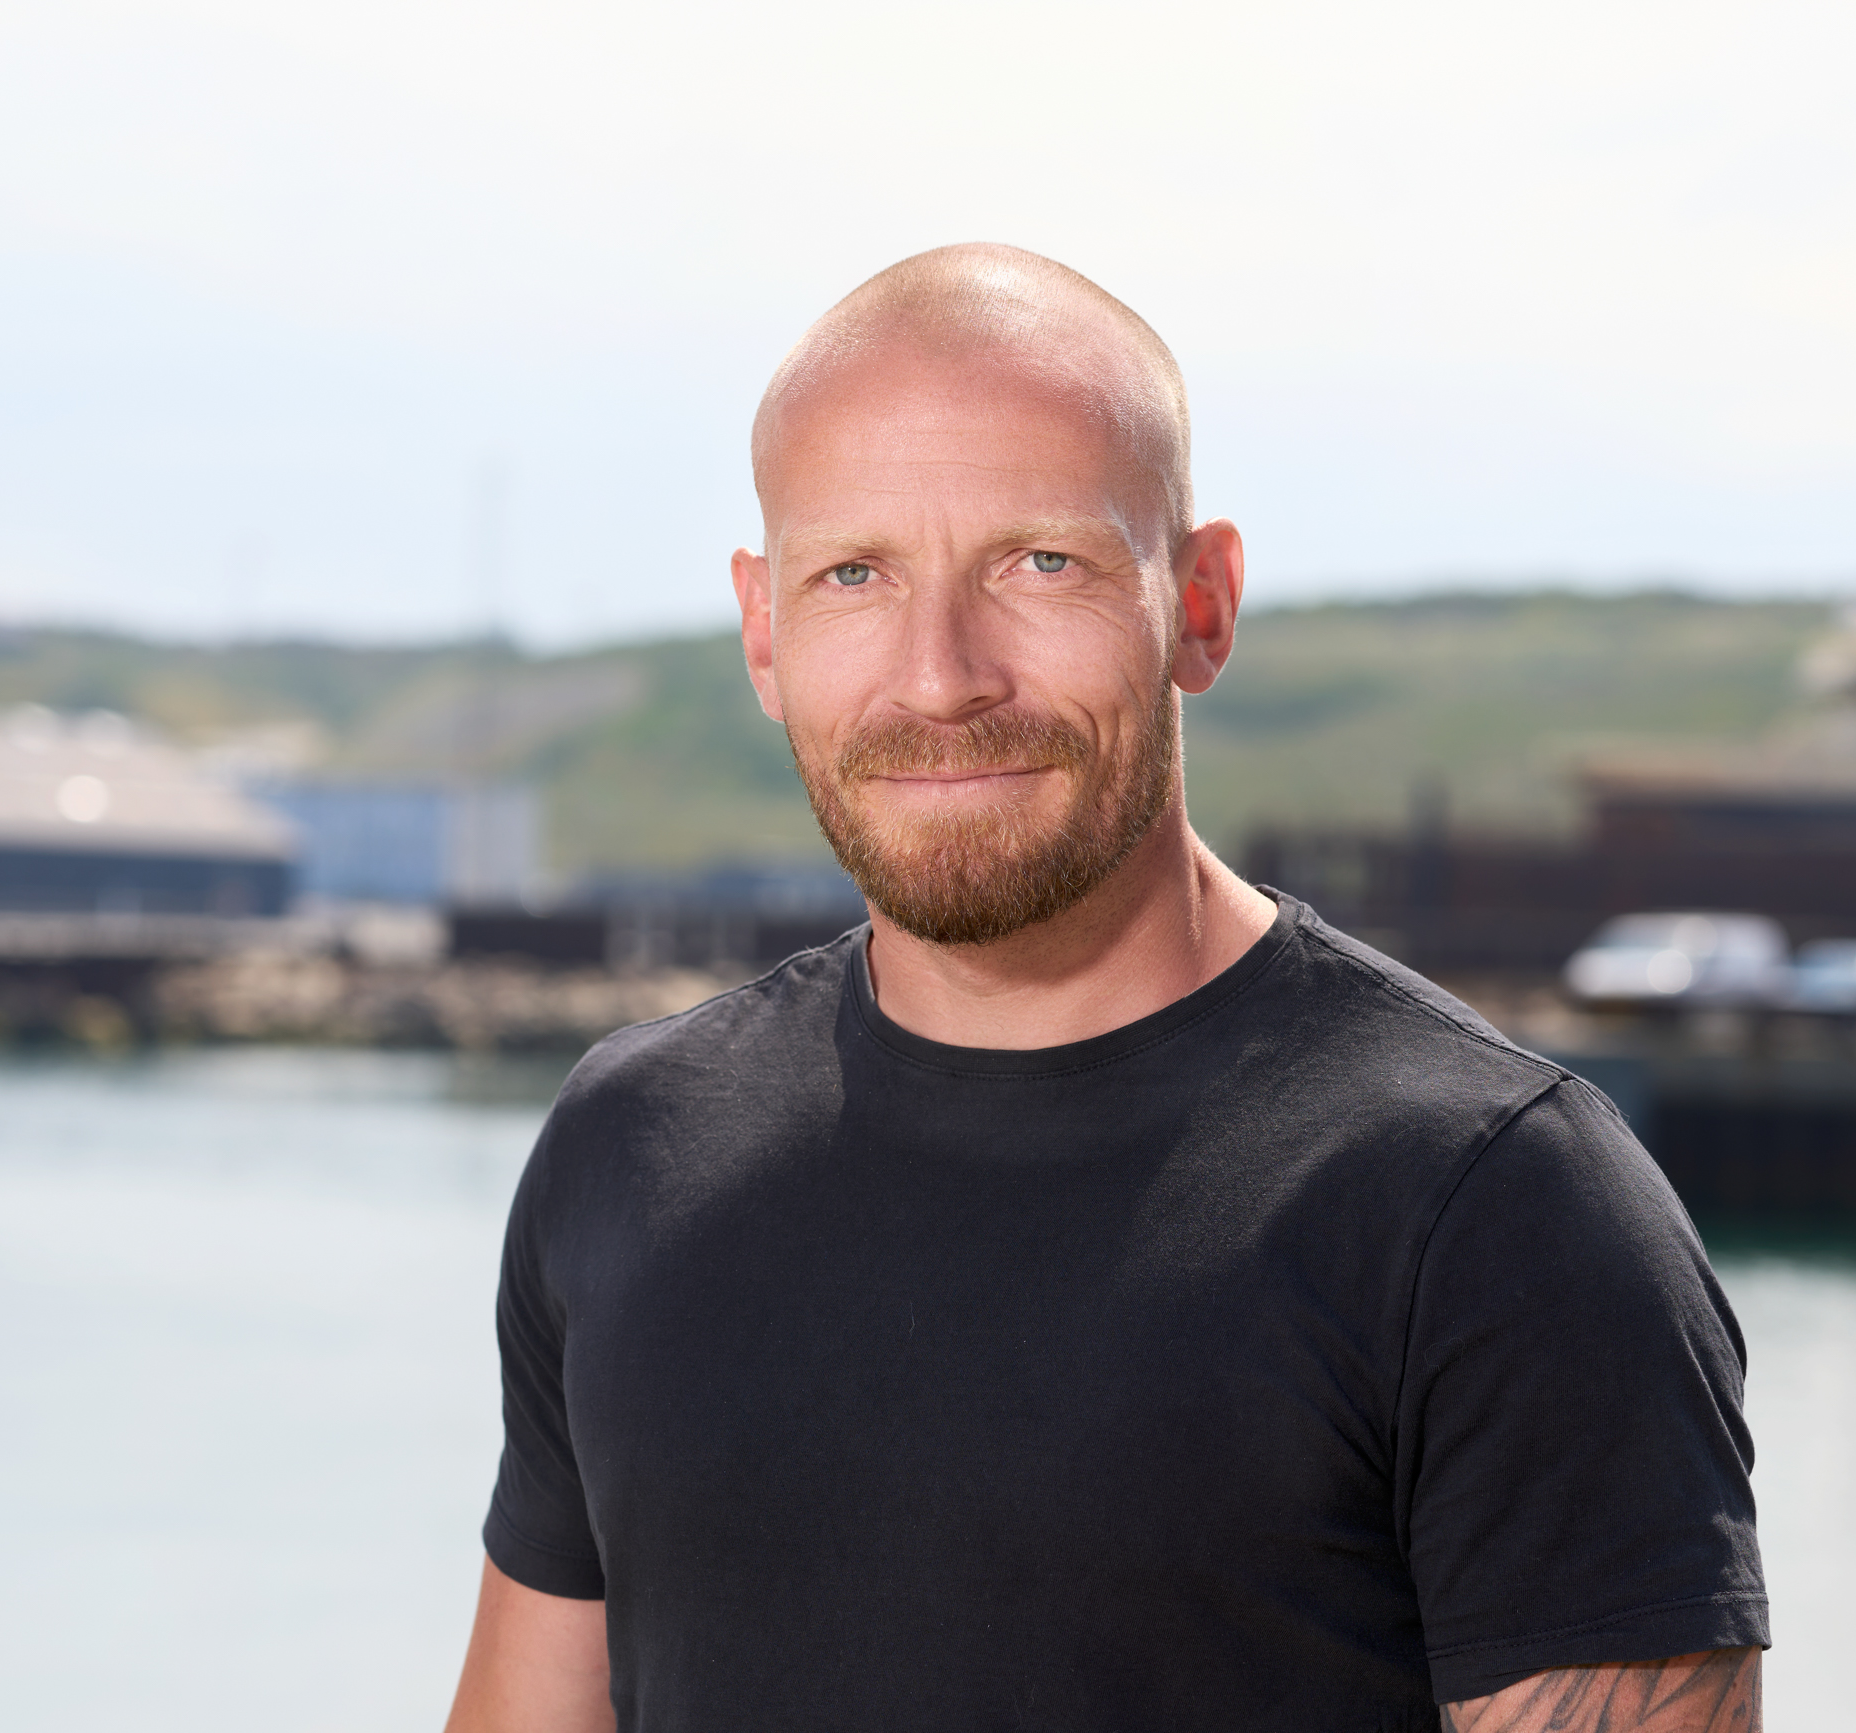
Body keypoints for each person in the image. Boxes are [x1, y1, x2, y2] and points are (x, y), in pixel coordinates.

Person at [443, 244, 1767, 1732]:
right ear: (765, 630)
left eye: (1041, 563)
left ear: (1200, 603)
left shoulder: (1495, 1210)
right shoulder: (630, 1146)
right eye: (854, 575)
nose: (940, 677)